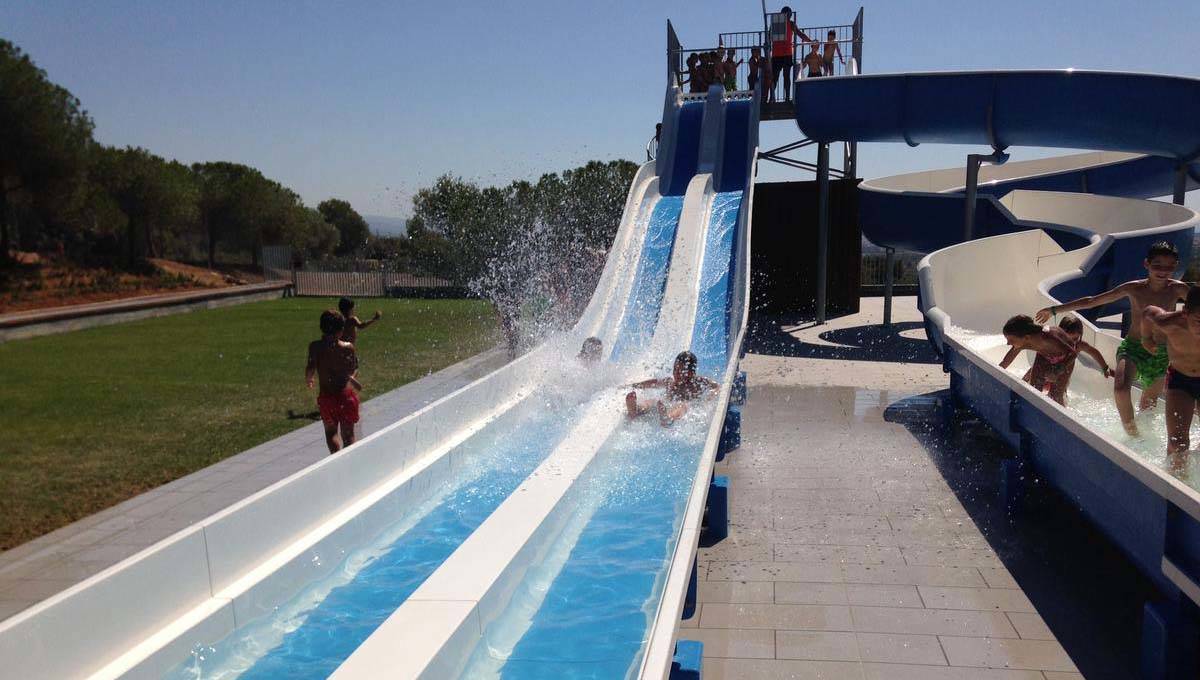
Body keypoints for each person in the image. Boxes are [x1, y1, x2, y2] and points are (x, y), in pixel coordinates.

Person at [1035, 241, 1188, 434]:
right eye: (1157, 264)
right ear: (1146, 264)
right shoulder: (1134, 289)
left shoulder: (1178, 290)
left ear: (1176, 266)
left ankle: (1142, 441)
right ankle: (1132, 433)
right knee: (1121, 389)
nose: (1163, 270)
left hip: (1161, 353)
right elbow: (1092, 301)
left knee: (1149, 406)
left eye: (1169, 266)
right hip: (1133, 347)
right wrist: (1055, 309)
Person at [1141, 286, 1200, 476]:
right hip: (1181, 380)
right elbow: (1148, 312)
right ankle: (1174, 481)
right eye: (1199, 321)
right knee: (1177, 442)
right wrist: (1145, 338)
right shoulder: (1169, 323)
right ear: (1185, 313)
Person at [1000, 314, 1110, 406]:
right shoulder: (1024, 342)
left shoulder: (1049, 337)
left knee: (1055, 396)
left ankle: (1062, 419)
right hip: (1044, 357)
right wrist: (998, 370)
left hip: (1064, 360)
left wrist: (1058, 371)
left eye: (1011, 340)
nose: (1008, 343)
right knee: (1033, 389)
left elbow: (1072, 353)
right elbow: (1007, 360)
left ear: (1026, 337)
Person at [306, 310, 362, 453]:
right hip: (346, 397)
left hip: (327, 398)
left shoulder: (315, 347)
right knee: (348, 435)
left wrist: (309, 378)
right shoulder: (348, 347)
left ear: (321, 327)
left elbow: (311, 367)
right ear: (341, 330)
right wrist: (351, 377)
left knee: (331, 433)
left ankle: (335, 458)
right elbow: (352, 369)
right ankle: (349, 462)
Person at [626, 350, 718, 426]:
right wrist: (635, 385)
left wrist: (709, 398)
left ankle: (668, 419)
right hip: (663, 407)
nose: (676, 373)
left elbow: (716, 386)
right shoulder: (670, 382)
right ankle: (636, 410)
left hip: (678, 410)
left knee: (683, 405)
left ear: (691, 373)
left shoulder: (698, 382)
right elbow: (653, 383)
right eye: (675, 369)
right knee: (652, 401)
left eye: (680, 371)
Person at [768, 6, 812, 102]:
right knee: (785, 76)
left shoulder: (775, 23)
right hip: (785, 54)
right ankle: (785, 98)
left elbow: (768, 37)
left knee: (776, 77)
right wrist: (810, 41)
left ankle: (773, 98)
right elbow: (800, 34)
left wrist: (768, 48)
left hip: (777, 54)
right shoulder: (790, 24)